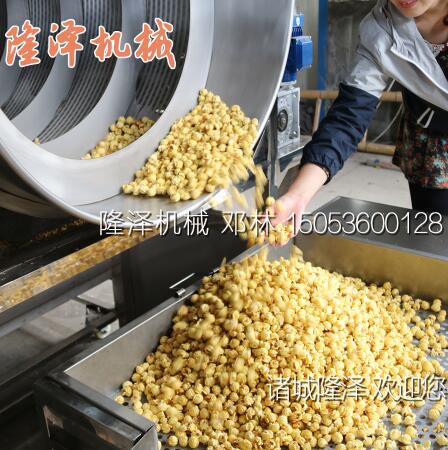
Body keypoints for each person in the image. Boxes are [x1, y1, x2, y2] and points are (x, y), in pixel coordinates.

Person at [272, 0, 448, 232]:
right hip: (432, 149)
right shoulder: (382, 28)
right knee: (436, 234)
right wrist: (298, 195)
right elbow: (348, 117)